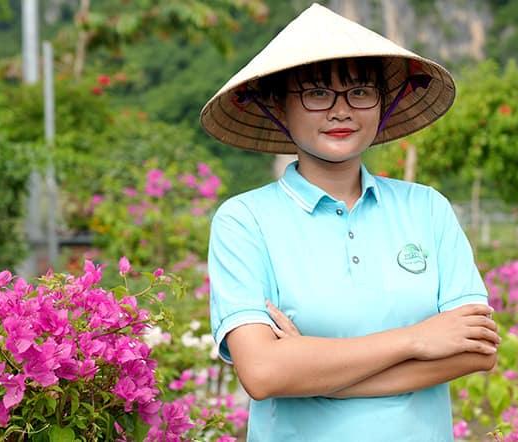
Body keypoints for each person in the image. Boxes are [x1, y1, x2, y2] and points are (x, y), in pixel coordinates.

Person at [199, 4, 500, 441]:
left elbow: (477, 352)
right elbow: (263, 373)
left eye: (360, 92)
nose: (341, 111)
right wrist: (417, 339)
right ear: (280, 108)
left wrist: (313, 370)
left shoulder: (427, 208)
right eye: (317, 94)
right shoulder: (244, 221)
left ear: (383, 103)